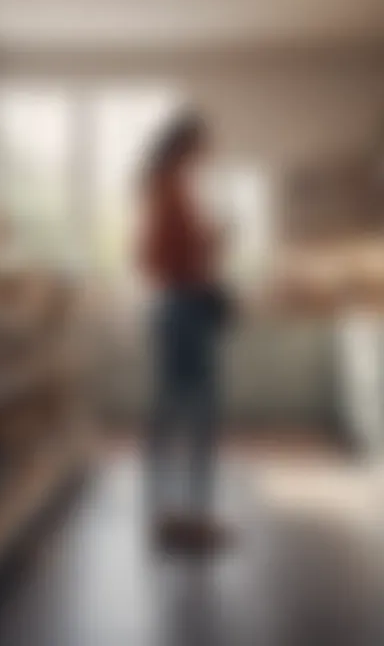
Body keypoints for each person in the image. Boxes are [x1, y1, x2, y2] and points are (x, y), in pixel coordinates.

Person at [136, 110, 226, 551]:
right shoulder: (170, 189)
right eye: (202, 147)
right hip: (184, 306)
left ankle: (173, 513)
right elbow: (157, 258)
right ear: (186, 145)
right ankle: (187, 516)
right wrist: (208, 244)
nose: (206, 156)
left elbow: (152, 258)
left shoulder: (165, 187)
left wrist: (202, 244)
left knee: (175, 405)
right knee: (197, 409)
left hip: (178, 305)